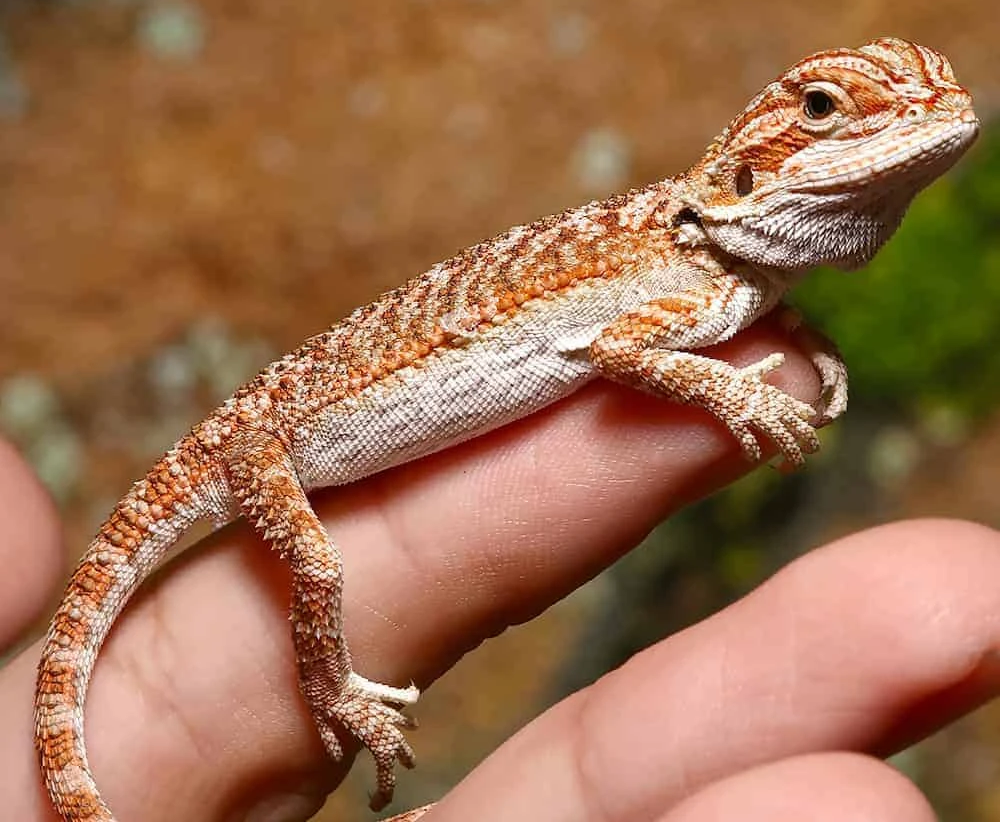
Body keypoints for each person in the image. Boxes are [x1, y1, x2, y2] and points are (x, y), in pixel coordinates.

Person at [2, 320, 994, 821]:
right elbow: (619, 344)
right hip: (262, 439)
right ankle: (325, 685)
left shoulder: (719, 278)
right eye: (826, 113)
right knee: (319, 563)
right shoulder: (668, 251)